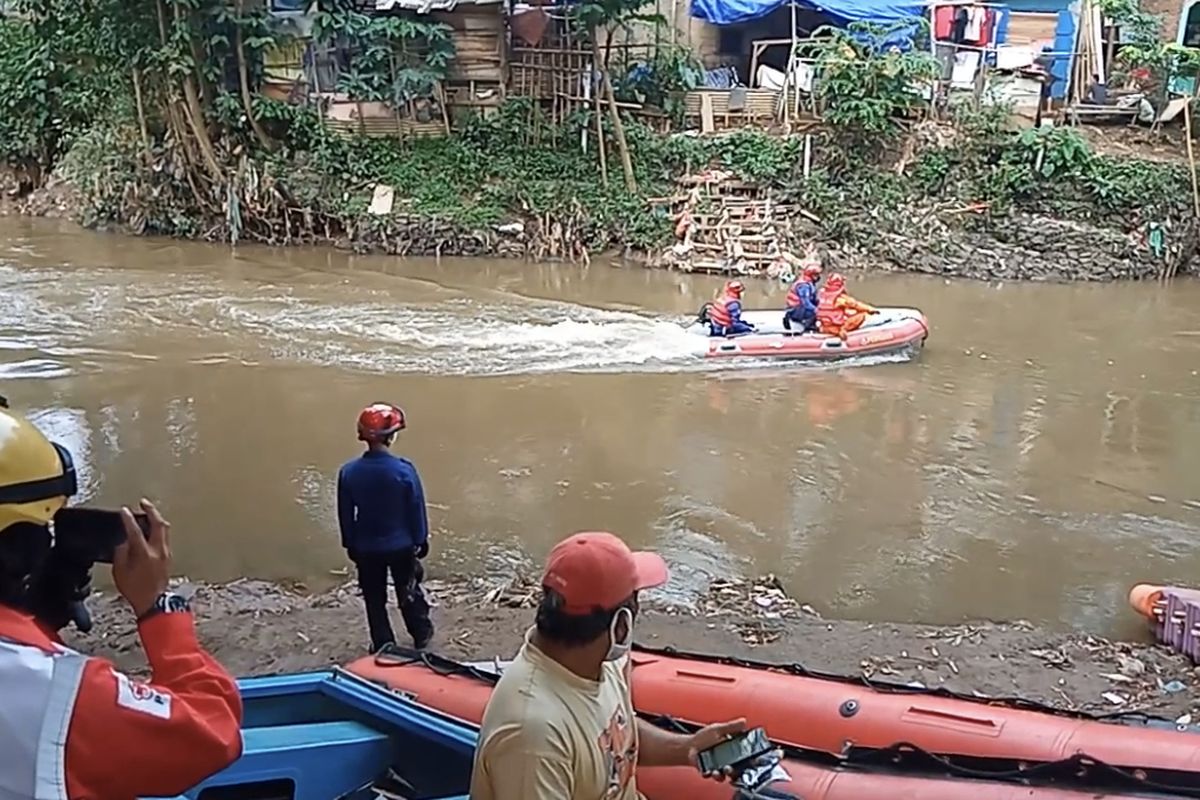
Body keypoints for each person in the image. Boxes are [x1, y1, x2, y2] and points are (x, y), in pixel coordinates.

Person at [0, 397, 243, 800]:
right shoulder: (59, 694)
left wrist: (35, 618)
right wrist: (157, 607)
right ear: (20, 546)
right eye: (46, 523)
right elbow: (213, 732)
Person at [470, 530, 746, 800]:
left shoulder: (601, 663)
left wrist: (687, 748)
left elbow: (614, 736)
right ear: (620, 626)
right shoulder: (532, 736)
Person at [337, 402, 434, 653]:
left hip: (366, 547)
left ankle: (383, 642)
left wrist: (350, 543)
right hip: (401, 544)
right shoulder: (403, 470)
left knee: (374, 597)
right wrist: (420, 539)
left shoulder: (349, 472)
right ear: (391, 437)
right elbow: (416, 507)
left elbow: (345, 514)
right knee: (408, 590)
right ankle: (421, 632)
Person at [816, 273, 879, 341]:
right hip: (836, 326)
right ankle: (842, 330)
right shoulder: (841, 298)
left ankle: (829, 329)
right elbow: (855, 305)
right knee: (861, 315)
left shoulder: (821, 294)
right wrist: (870, 309)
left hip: (825, 325)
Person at [782, 263, 822, 333]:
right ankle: (807, 327)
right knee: (816, 312)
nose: (818, 277)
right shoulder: (804, 285)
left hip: (800, 307)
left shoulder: (810, 283)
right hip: (795, 309)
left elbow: (814, 299)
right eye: (816, 275)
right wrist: (817, 310)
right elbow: (805, 302)